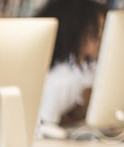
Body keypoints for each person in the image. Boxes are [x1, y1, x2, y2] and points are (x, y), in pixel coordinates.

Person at [35, 0, 107, 134]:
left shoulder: (89, 68)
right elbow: (45, 128)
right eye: (95, 33)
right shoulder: (61, 79)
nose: (101, 39)